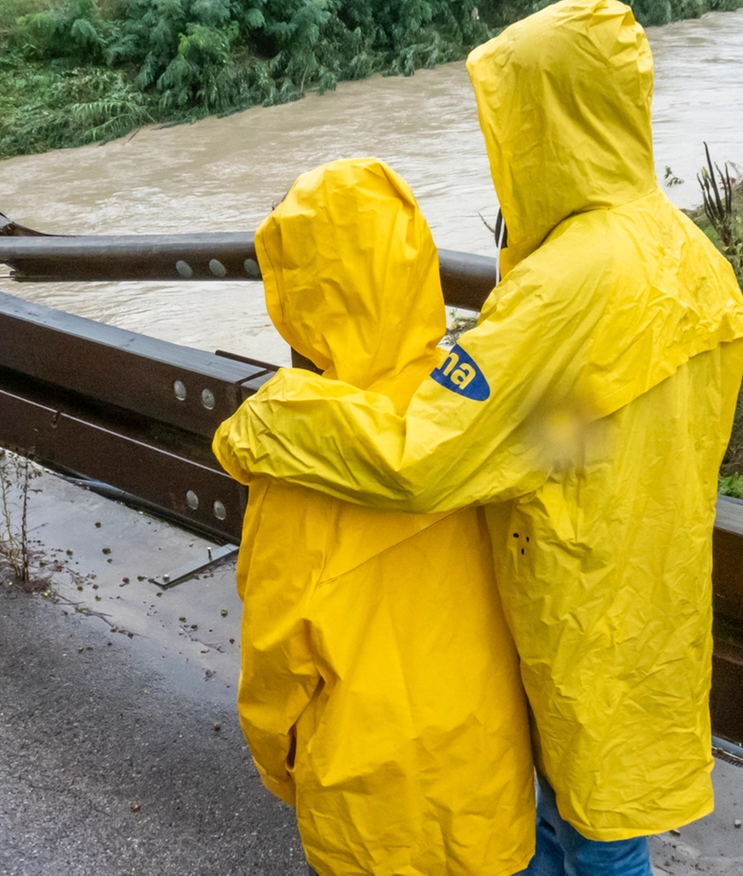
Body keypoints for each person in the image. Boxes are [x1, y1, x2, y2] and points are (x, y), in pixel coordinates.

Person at [214, 0, 743, 873]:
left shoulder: (567, 286)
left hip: (567, 608)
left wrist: (274, 420)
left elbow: (422, 457)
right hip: (647, 598)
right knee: (600, 828)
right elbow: (585, 429)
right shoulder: (688, 255)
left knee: (593, 847)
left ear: (545, 120)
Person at [228, 157, 536, 876]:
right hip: (486, 773)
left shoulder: (298, 457)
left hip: (367, 807)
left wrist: (282, 769)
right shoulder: (475, 408)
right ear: (415, 260)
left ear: (293, 297)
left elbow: (275, 654)